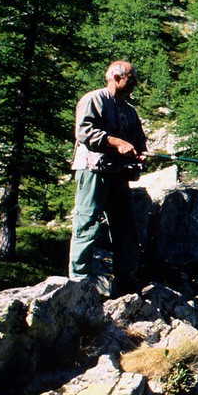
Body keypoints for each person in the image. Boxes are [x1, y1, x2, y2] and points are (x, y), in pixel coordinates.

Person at [69, 60, 148, 293]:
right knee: (86, 223)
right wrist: (116, 142)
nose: (135, 83)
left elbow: (138, 141)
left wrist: (140, 154)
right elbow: (85, 132)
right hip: (93, 170)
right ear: (116, 77)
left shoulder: (130, 111)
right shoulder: (93, 100)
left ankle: (125, 283)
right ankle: (78, 282)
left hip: (118, 174)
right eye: (131, 79)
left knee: (127, 229)